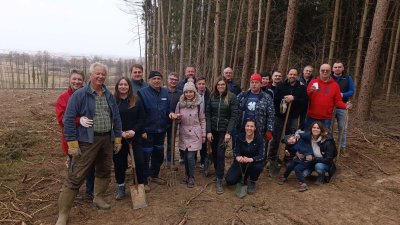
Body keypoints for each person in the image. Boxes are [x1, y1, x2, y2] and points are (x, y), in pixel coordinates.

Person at [56, 62, 122, 225]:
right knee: (75, 176)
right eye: (97, 74)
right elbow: (68, 119)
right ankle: (63, 214)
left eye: (103, 74)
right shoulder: (80, 95)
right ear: (91, 75)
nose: (100, 76)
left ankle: (98, 198)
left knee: (104, 171)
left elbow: (116, 117)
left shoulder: (108, 95)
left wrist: (118, 137)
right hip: (87, 141)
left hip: (106, 139)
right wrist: (72, 143)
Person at [55, 69, 95, 200]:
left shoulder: (88, 95)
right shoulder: (63, 98)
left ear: (83, 81)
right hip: (72, 139)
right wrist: (79, 120)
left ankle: (90, 190)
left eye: (79, 79)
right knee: (74, 166)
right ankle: (74, 191)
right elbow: (62, 120)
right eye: (74, 79)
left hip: (89, 138)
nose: (77, 82)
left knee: (89, 165)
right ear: (70, 80)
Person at [138, 71, 177, 186]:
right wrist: (142, 130)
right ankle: (144, 181)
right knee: (146, 156)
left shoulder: (165, 92)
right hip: (148, 132)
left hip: (161, 130)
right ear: (149, 80)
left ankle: (154, 175)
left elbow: (168, 108)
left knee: (159, 155)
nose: (156, 80)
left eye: (159, 78)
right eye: (154, 78)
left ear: (161, 80)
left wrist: (171, 113)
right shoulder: (142, 93)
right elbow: (140, 114)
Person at [113, 77, 146, 199]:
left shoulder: (136, 100)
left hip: (134, 137)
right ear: (117, 86)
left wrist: (134, 131)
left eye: (125, 84)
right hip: (119, 138)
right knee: (119, 163)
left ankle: (140, 184)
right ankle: (121, 187)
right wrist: (119, 132)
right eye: (120, 84)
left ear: (129, 86)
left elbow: (141, 118)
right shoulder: (113, 101)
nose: (123, 86)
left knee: (139, 161)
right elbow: (110, 120)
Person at [206, 77, 238, 194]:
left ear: (226, 85)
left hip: (224, 131)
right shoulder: (212, 96)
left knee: (220, 154)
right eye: (218, 84)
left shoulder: (231, 97)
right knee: (214, 153)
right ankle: (217, 172)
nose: (220, 86)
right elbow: (208, 114)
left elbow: (233, 116)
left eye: (222, 84)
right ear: (216, 85)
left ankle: (219, 179)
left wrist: (228, 133)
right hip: (213, 130)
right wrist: (208, 131)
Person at [268, 69, 307, 163]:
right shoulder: (281, 86)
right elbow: (275, 99)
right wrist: (284, 99)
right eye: (290, 74)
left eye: (294, 74)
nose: (292, 76)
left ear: (297, 75)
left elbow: (304, 101)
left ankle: (288, 158)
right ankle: (272, 158)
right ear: (287, 75)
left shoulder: (301, 87)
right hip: (280, 117)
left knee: (291, 139)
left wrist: (294, 98)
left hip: (293, 117)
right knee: (276, 138)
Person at [175, 82, 206, 188]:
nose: (189, 94)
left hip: (195, 133)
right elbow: (176, 120)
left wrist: (203, 134)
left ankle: (191, 176)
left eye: (191, 92)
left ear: (194, 92)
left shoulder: (199, 104)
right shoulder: (180, 104)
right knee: (185, 156)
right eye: (187, 92)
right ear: (184, 93)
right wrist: (177, 118)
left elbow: (202, 120)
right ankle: (186, 175)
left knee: (190, 156)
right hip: (184, 133)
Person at [306, 64, 352, 130]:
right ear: (319, 71)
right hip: (311, 116)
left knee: (324, 139)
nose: (325, 72)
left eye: (327, 70)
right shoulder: (313, 82)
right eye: (323, 70)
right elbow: (307, 97)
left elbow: (337, 101)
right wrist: (310, 91)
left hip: (326, 118)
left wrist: (345, 106)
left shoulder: (335, 85)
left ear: (330, 71)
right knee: (308, 137)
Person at [225, 119, 265, 194]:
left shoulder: (260, 139)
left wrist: (251, 159)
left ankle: (252, 181)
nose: (249, 128)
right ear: (245, 127)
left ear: (255, 128)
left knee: (258, 167)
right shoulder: (240, 137)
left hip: (253, 163)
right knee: (229, 180)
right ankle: (244, 175)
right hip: (241, 162)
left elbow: (262, 155)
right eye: (247, 126)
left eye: (252, 126)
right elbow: (235, 151)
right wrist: (237, 157)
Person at [236, 74, 274, 149]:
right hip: (243, 128)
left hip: (260, 129)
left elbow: (271, 115)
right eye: (252, 82)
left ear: (260, 84)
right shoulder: (242, 95)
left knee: (259, 150)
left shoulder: (267, 97)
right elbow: (235, 110)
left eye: (256, 82)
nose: (254, 84)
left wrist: (269, 130)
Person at [331, 62, 354, 157]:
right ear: (332, 69)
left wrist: (342, 95)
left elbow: (352, 91)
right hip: (330, 107)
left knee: (343, 128)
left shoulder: (348, 78)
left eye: (339, 67)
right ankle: (329, 147)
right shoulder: (329, 77)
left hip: (343, 106)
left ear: (343, 68)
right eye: (335, 67)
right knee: (328, 128)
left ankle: (341, 148)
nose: (337, 69)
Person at [166, 72, 182, 164]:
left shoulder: (180, 93)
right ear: (168, 80)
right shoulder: (163, 91)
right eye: (171, 79)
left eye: (175, 80)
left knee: (171, 142)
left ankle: (170, 160)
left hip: (174, 121)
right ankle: (158, 160)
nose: (173, 81)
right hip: (162, 121)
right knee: (160, 143)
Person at [196, 76, 211, 168]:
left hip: (205, 120)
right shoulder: (192, 94)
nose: (201, 86)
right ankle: (193, 159)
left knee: (203, 141)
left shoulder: (210, 94)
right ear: (196, 85)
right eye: (199, 84)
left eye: (203, 84)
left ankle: (203, 160)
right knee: (194, 141)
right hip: (194, 120)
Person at [298, 65, 314, 130]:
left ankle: (302, 131)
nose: (308, 72)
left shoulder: (314, 80)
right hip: (298, 102)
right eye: (307, 70)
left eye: (310, 71)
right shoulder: (298, 79)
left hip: (308, 103)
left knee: (304, 120)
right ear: (303, 71)